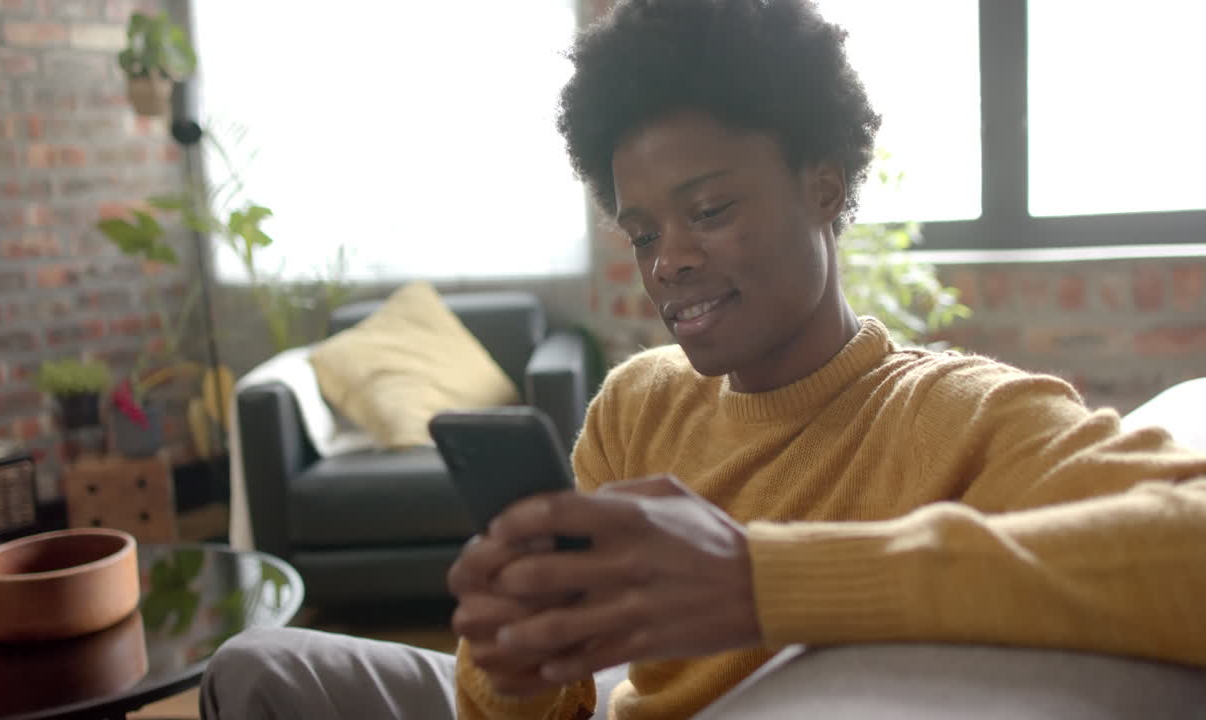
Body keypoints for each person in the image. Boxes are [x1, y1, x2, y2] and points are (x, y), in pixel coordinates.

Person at [199, 0, 1206, 718]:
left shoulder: (957, 415)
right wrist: (510, 656)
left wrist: (760, 582)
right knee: (256, 668)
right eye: (640, 231)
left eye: (709, 210)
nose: (668, 260)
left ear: (822, 186)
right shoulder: (638, 404)